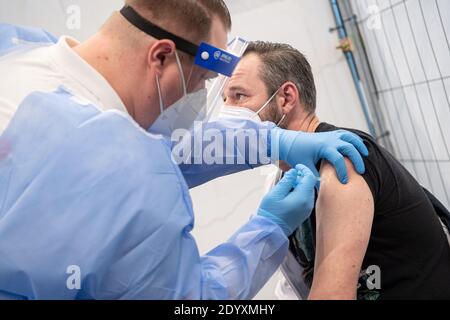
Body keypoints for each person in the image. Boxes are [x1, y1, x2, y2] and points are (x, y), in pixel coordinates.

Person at [0, 1, 369, 300]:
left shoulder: (18, 51)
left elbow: (167, 147)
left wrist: (272, 141)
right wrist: (267, 229)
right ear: (160, 57)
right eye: (202, 82)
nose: (199, 101)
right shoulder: (131, 176)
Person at [221, 40, 450, 300]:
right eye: (225, 99)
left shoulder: (343, 159)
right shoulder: (279, 183)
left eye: (239, 96)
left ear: (286, 98)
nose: (228, 111)